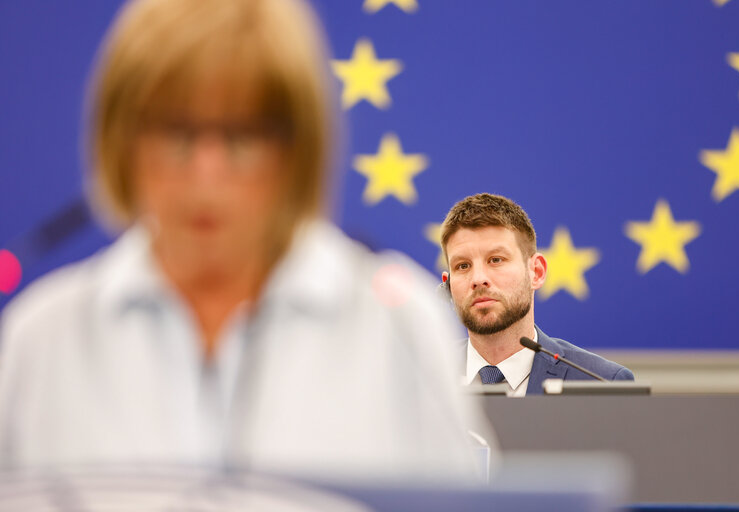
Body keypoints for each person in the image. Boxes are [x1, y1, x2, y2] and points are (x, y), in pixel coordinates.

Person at [0, 0, 479, 479]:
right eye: (176, 132)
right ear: (122, 138)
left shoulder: (399, 327)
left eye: (243, 136)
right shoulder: (42, 341)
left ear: (298, 146)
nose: (207, 175)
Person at [440, 193, 634, 395]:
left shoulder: (602, 384)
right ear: (448, 284)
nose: (478, 279)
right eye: (463, 266)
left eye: (496, 260)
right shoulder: (417, 378)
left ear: (537, 272)